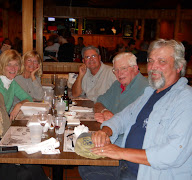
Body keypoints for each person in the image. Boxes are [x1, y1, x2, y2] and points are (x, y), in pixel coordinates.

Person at [79, 39, 192, 180]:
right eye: (151, 61)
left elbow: (172, 153)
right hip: (126, 164)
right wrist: (104, 131)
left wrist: (120, 152)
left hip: (150, 173)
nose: (153, 67)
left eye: (161, 61)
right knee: (86, 166)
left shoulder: (186, 98)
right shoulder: (150, 92)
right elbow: (122, 118)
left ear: (178, 66)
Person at [94, 52, 148, 123]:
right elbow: (99, 102)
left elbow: (138, 123)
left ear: (135, 68)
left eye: (124, 68)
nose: (119, 73)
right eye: (116, 70)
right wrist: (104, 111)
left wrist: (112, 120)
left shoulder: (146, 89)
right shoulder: (117, 85)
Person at [0, 49, 33, 121]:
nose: (13, 68)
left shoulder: (12, 83)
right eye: (9, 64)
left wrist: (19, 105)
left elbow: (29, 99)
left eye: (16, 65)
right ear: (2, 65)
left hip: (3, 121)